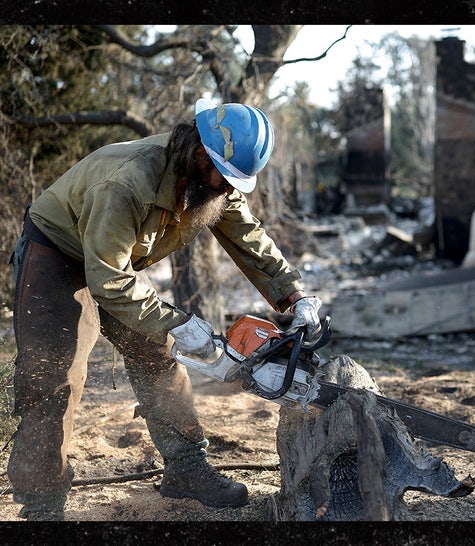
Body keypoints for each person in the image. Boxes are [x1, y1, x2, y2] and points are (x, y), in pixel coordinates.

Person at [7, 98, 323, 521]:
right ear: (198, 156)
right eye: (226, 178)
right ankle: (42, 505)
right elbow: (108, 280)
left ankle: (187, 468)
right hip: (56, 251)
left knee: (159, 350)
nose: (230, 190)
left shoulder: (213, 185)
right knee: (55, 373)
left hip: (114, 261)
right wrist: (180, 322)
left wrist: (295, 296)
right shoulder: (129, 182)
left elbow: (249, 236)